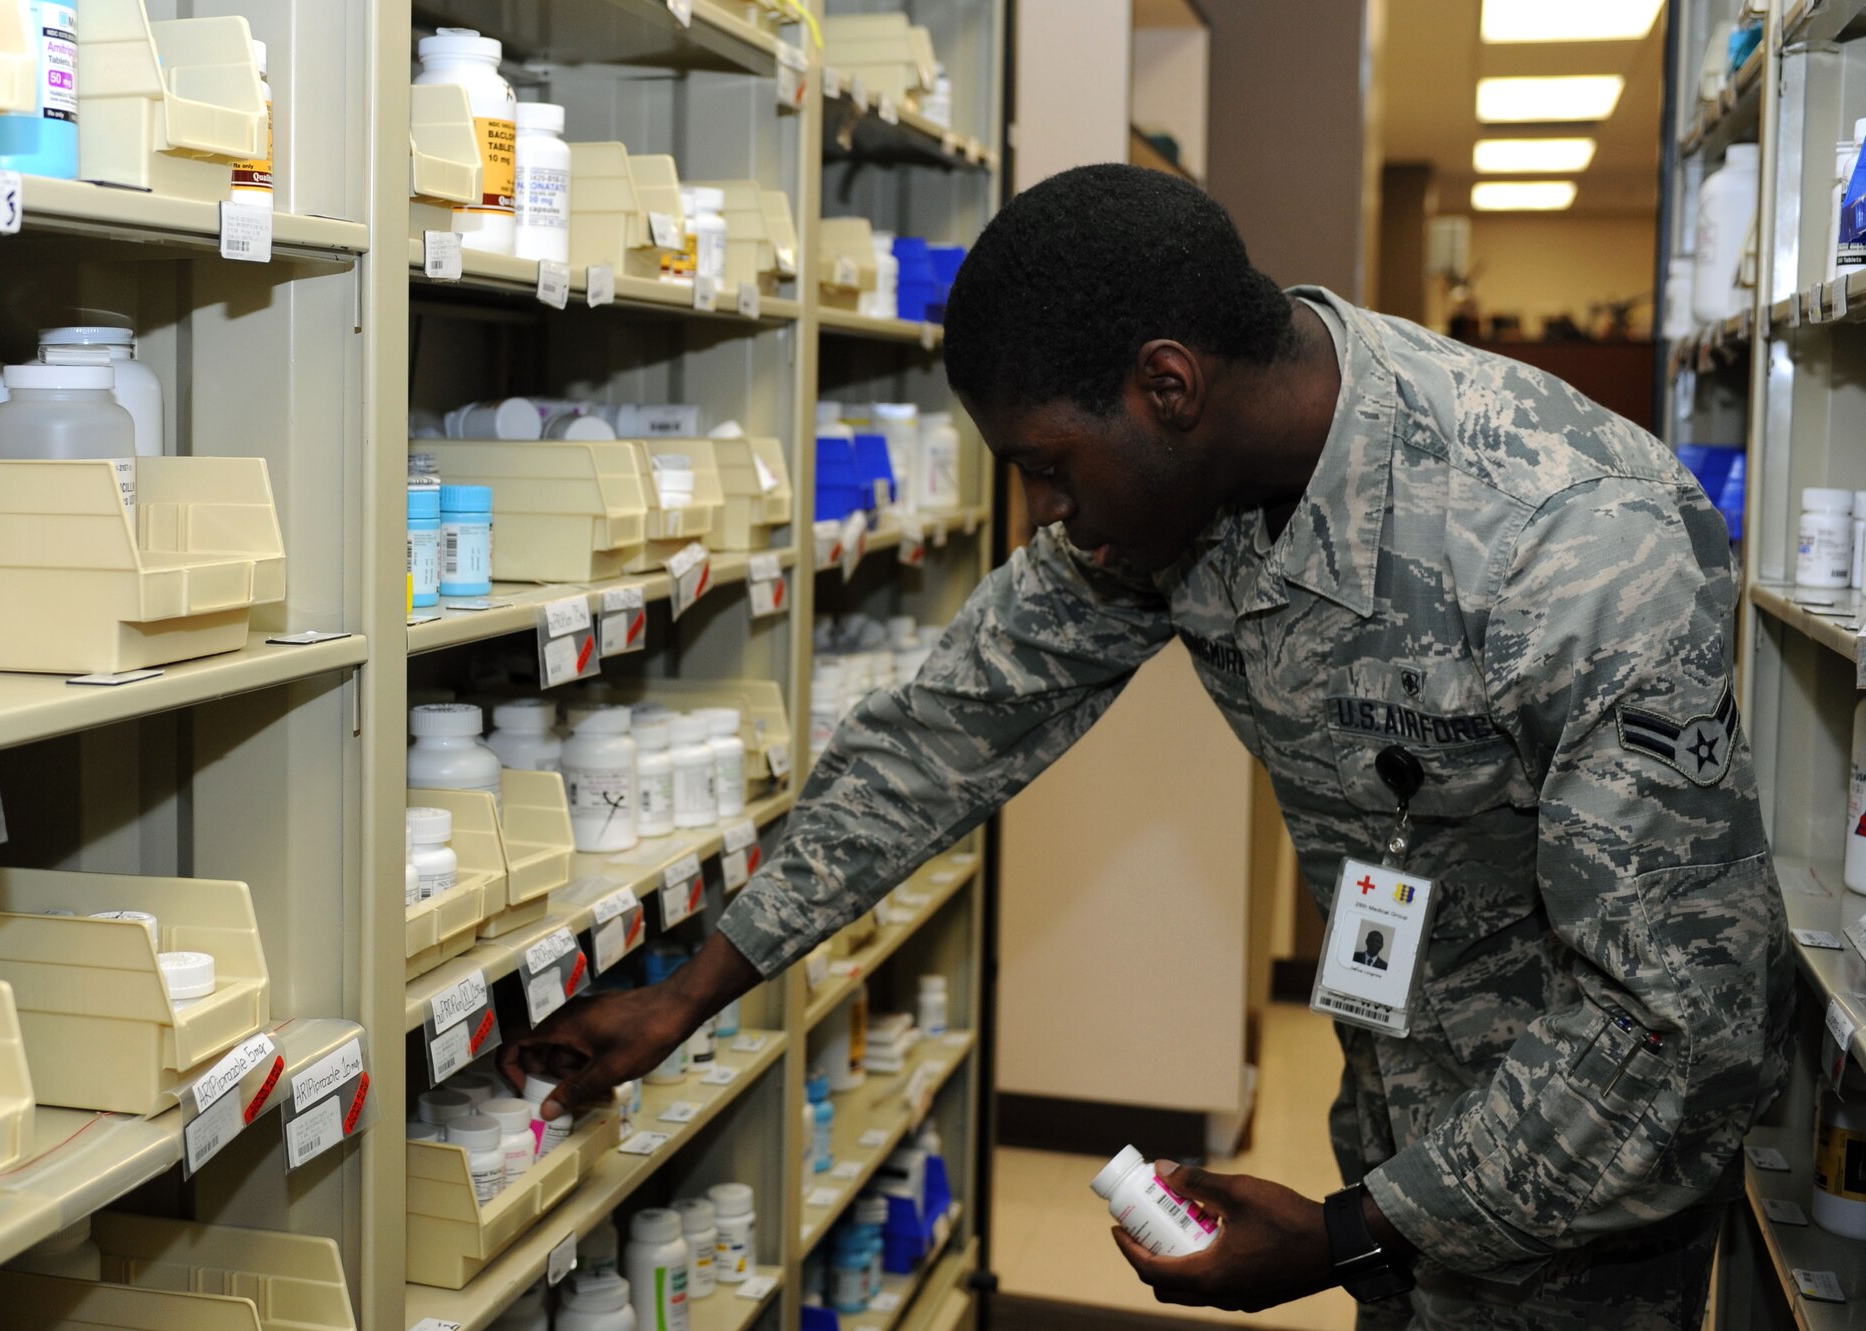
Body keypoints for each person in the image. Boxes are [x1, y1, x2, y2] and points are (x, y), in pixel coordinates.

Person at [501, 164, 1792, 1328]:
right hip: (1400, 1132)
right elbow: (945, 732)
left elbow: (1679, 1028)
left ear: (1168, 386)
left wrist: (1346, 1236)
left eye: (1049, 467)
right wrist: (694, 988)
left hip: (1586, 1198)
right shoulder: (1182, 504)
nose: (1045, 513)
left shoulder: (1577, 547)